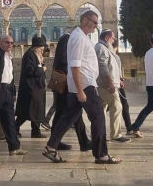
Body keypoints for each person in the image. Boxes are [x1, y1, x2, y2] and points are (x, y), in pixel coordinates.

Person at [43, 10, 121, 164]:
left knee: (69, 116)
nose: (95, 26)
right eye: (94, 22)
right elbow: (75, 65)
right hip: (84, 85)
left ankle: (51, 147)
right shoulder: (78, 38)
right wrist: (80, 90)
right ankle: (101, 154)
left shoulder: (80, 37)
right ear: (85, 20)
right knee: (98, 117)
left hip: (81, 84)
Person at [47, 32, 92, 151]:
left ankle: (83, 141)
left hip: (67, 84)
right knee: (65, 112)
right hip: (65, 85)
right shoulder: (68, 39)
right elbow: (64, 61)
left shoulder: (68, 39)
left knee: (74, 113)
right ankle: (55, 141)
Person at [95, 29, 130, 143]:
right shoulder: (101, 48)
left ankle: (99, 133)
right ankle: (115, 134)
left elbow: (111, 66)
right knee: (117, 106)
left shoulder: (106, 49)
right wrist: (110, 82)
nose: (114, 40)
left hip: (108, 84)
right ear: (106, 38)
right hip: (106, 85)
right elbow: (103, 66)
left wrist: (117, 80)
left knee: (101, 110)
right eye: (112, 38)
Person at [15, 36, 48, 138]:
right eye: (41, 49)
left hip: (37, 88)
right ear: (37, 47)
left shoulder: (36, 55)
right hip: (30, 88)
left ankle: (35, 131)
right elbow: (30, 71)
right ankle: (14, 129)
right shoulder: (29, 55)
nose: (42, 51)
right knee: (27, 111)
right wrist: (42, 69)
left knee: (36, 111)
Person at [111, 39, 133, 136]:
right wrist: (120, 80)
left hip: (112, 83)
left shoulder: (110, 55)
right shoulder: (115, 57)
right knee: (123, 105)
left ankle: (129, 127)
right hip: (116, 84)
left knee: (113, 105)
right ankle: (129, 128)